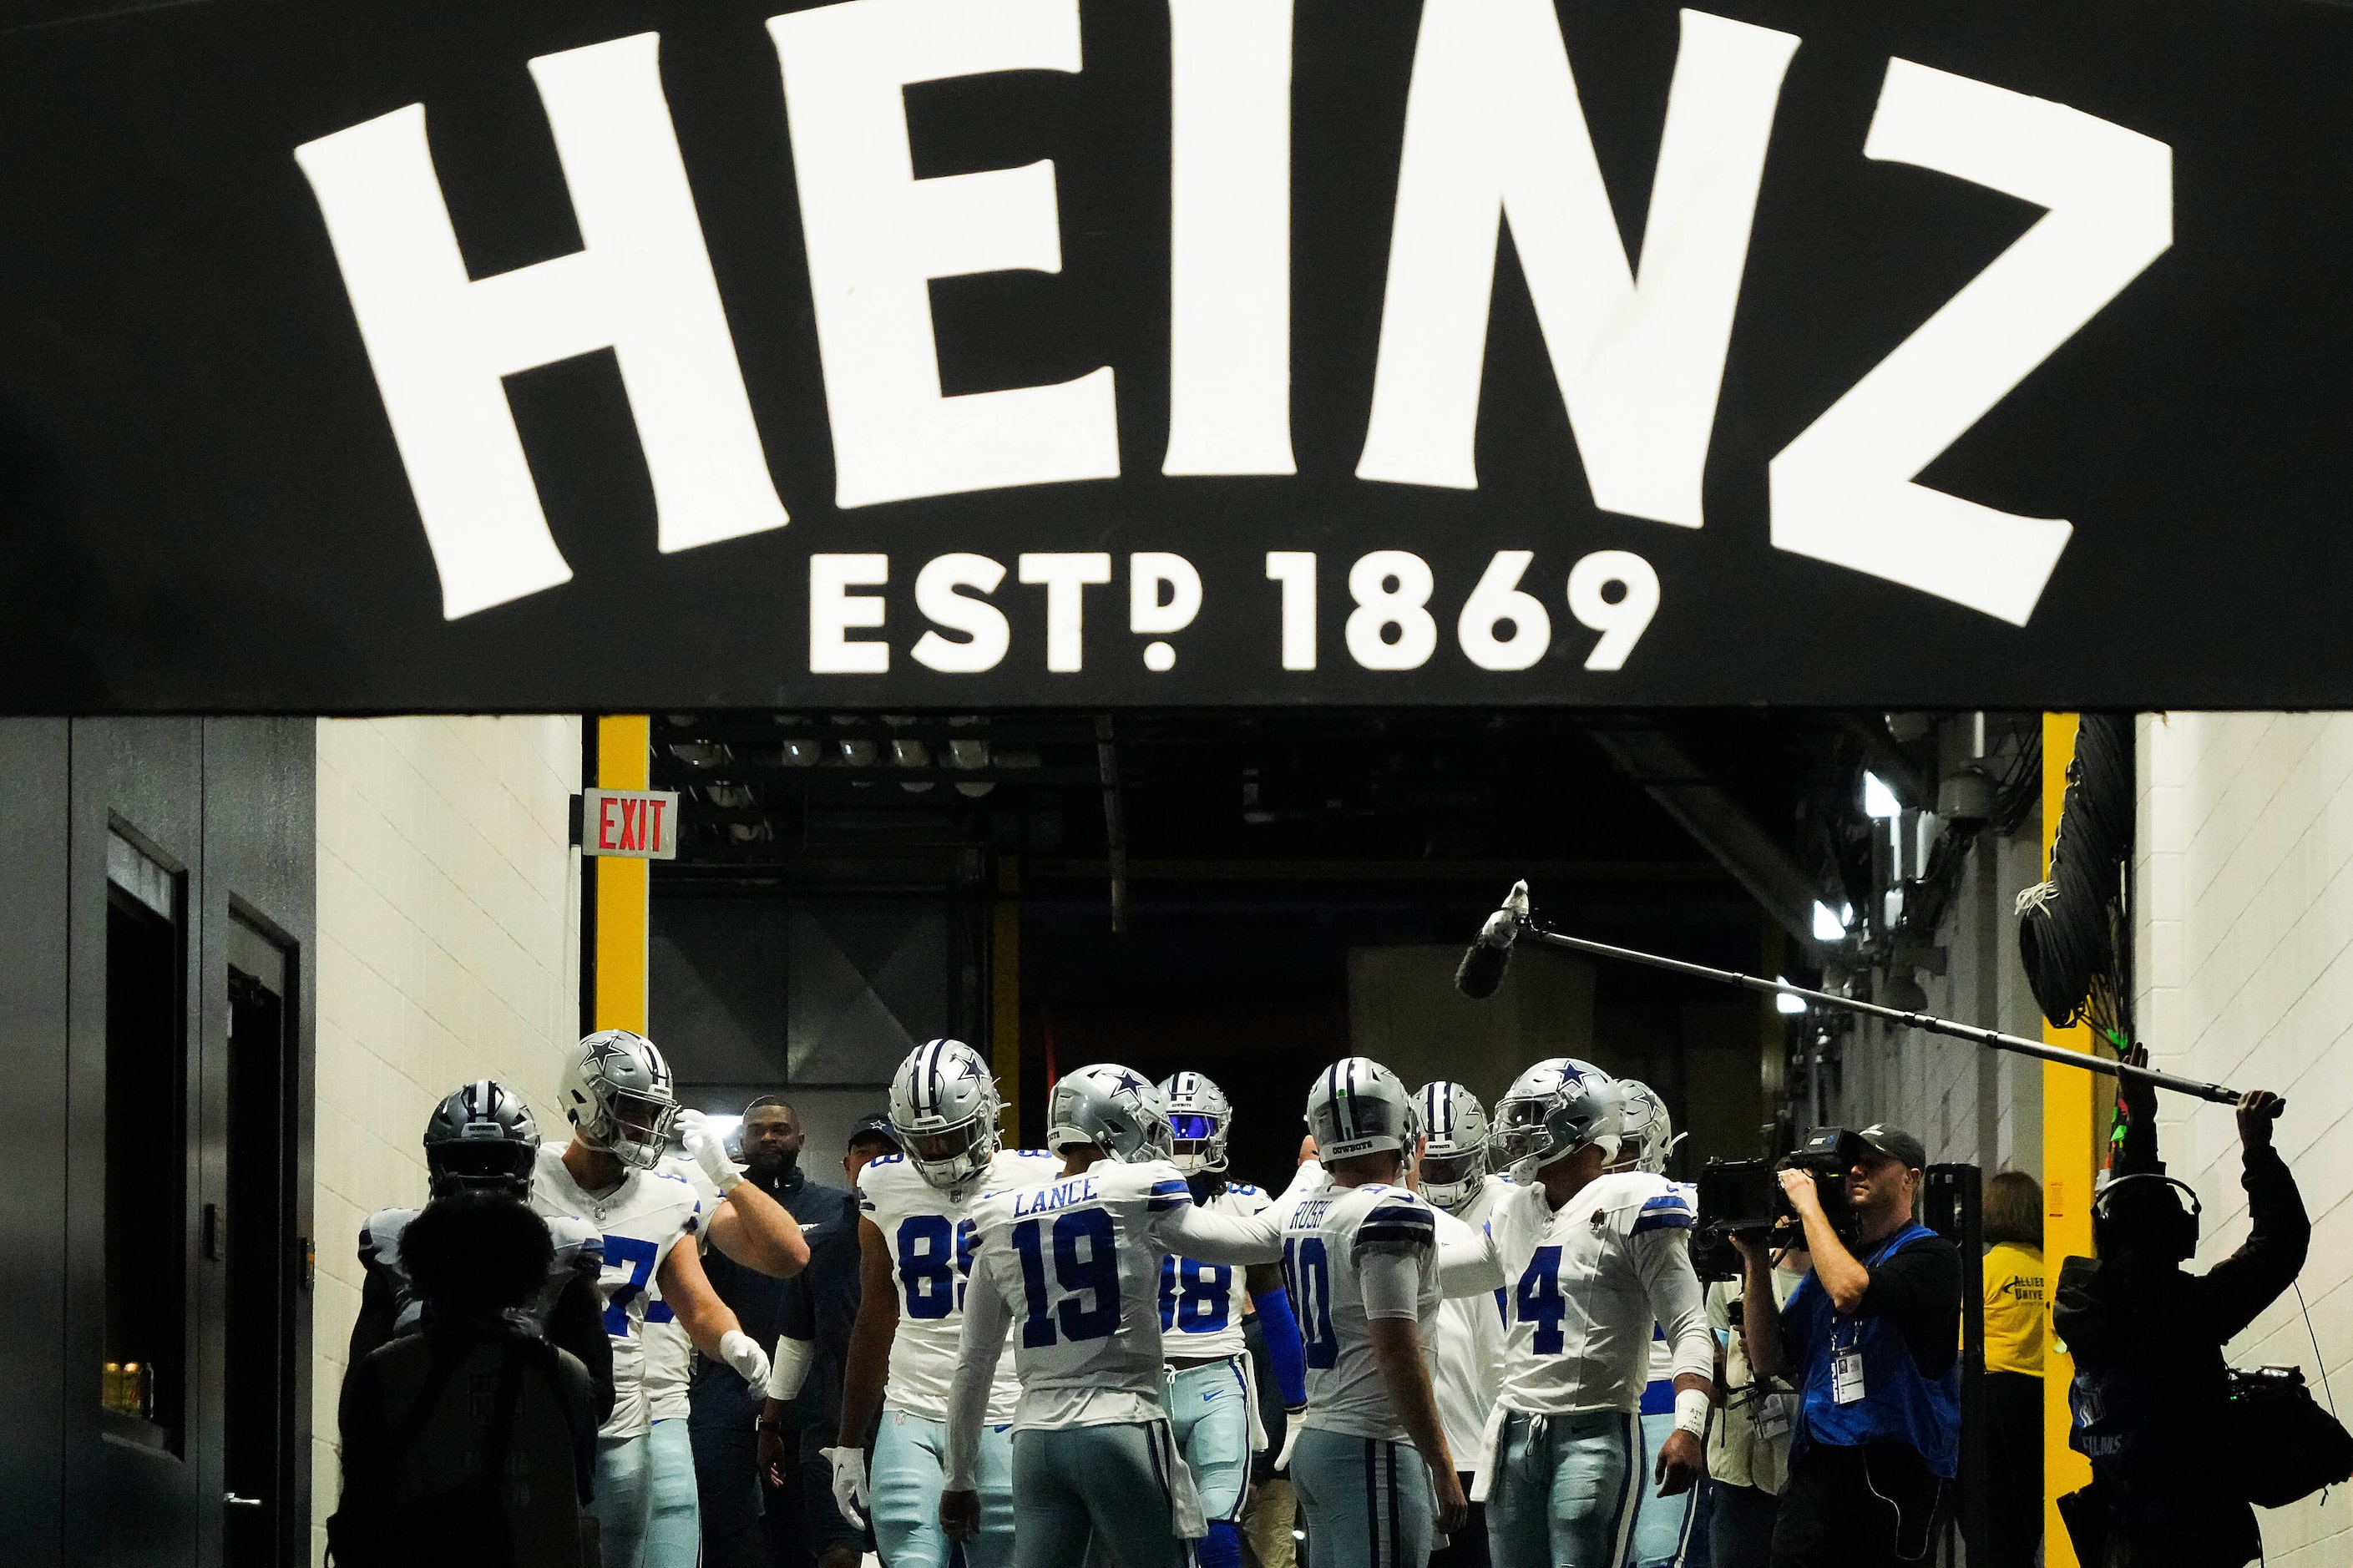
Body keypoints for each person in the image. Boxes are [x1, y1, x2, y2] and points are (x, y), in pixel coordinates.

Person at [941, 1064, 1289, 1567]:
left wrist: (958, 1477)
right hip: (1121, 1422)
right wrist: (1313, 1180)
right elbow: (1260, 1242)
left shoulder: (997, 1214)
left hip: (1035, 1441)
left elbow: (972, 1367)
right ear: (1119, 1129)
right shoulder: (1136, 1189)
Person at [532, 1029, 777, 1568]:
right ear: (584, 1100)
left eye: (650, 1113)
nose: (643, 1127)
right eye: (629, 1110)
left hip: (624, 1408)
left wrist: (731, 1339)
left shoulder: (668, 1196)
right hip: (534, 1404)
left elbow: (697, 1302)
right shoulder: (528, 1176)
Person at [1469, 1060, 1713, 1568]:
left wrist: (1689, 1423)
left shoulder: (1633, 1200)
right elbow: (1447, 1272)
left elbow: (1689, 1325)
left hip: (1594, 1429)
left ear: (1579, 1126)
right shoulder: (1513, 1208)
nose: (1516, 1129)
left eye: (1533, 1114)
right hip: (1513, 1428)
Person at [827, 1039, 1061, 1568]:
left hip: (1007, 1407)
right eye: (922, 1141)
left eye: (950, 1136)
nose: (936, 1154)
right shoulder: (883, 1181)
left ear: (985, 1118)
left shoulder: (1041, 1176)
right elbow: (875, 1313)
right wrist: (849, 1438)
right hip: (911, 1407)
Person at [2053, 1085, 2300, 1568]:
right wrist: (2258, 1152)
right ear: (2181, 1235)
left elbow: (2133, 1212)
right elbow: (2282, 1243)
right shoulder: (2186, 1310)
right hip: (2192, 1535)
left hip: (2119, 1537)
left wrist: (2141, 1122)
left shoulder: (2086, 1305)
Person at [1273, 1057, 1475, 1568]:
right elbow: (1396, 1349)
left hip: (1321, 1436)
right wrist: (1442, 1463)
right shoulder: (1391, 1210)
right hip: (1372, 1444)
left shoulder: (1304, 1211)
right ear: (1400, 1128)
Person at [330, 1191, 601, 1568]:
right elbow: (584, 1484)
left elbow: (360, 1484)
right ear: (528, 1275)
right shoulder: (567, 1374)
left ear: (421, 1272)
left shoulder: (386, 1370)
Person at [1733, 1125, 1960, 1568]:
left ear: (1909, 1179)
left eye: (1873, 1163)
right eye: (1852, 1163)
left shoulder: (1930, 1255)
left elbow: (1850, 1292)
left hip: (1893, 1462)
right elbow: (1767, 1357)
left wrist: (1808, 1205)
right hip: (1819, 1459)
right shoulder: (1833, 1262)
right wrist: (1756, 1260)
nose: (1857, 1170)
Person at [352, 1079, 615, 1425]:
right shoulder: (395, 1241)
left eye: (495, 1160)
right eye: (468, 1159)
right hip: (425, 1441)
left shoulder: (565, 1248)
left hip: (521, 1447)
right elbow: (363, 1391)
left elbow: (595, 1397)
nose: (481, 1176)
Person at [641, 1100, 811, 1568]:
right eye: (623, 1107)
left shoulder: (682, 1184)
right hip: (581, 1401)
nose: (632, 1123)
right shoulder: (549, 1171)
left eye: (644, 1110)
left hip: (664, 1402)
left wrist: (724, 1174)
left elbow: (788, 1255)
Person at [1156, 1070, 1308, 1568]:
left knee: (1218, 1525)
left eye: (1192, 1128)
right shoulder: (1131, 1197)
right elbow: (1277, 1311)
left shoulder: (1243, 1203)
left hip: (1214, 1377)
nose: (1181, 1141)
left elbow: (1275, 1308)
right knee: (1149, 1534)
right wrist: (1297, 1403)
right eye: (1172, 1127)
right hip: (1148, 1382)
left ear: (1218, 1131)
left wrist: (1297, 1402)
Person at [761, 1113, 902, 1568]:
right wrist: (771, 1422)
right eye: (864, 1153)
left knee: (907, 1552)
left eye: (886, 1154)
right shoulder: (819, 1243)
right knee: (839, 1555)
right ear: (846, 1164)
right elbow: (797, 1338)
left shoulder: (927, 1234)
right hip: (830, 1423)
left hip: (909, 1424)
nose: (873, 1162)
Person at [1412, 1080, 1510, 1568]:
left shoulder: (1513, 1201)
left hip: (1487, 1408)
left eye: (1452, 1165)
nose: (1442, 1179)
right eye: (1432, 1166)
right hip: (1450, 1418)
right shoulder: (1417, 1218)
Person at [1612, 1080, 1707, 1568]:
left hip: (1661, 1399)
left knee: (1652, 1553)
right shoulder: (1563, 1210)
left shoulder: (1683, 1203)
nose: (1611, 1161)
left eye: (1624, 1147)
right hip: (1593, 1403)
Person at [1705, 1227, 1807, 1568]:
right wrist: (1713, 1370)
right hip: (1737, 1458)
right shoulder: (1732, 1276)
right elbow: (1715, 1359)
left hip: (1804, 1459)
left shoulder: (1833, 1275)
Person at [1977, 1170, 2044, 1568]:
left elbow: (1961, 1346)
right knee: (2028, 1521)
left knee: (1992, 1528)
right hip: (2047, 1406)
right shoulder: (2053, 1269)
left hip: (1993, 1405)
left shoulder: (1983, 1271)